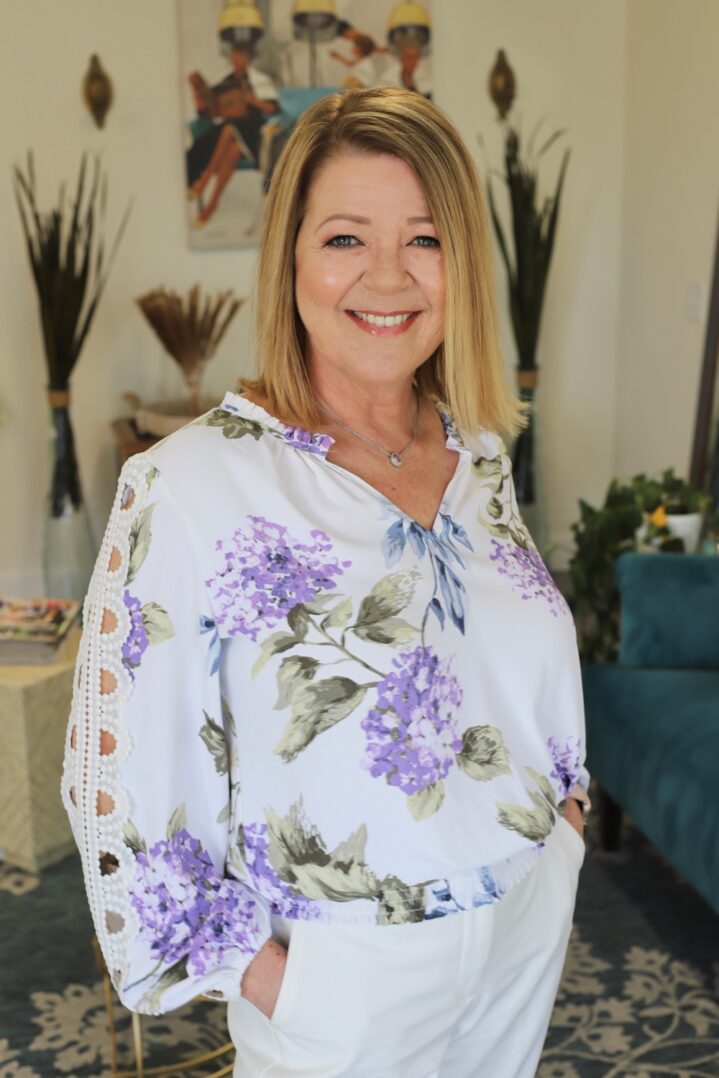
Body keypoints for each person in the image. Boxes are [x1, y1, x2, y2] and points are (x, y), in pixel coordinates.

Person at [62, 87, 590, 1076]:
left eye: (423, 239)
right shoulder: (184, 488)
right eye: (345, 238)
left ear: (459, 264)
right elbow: (122, 792)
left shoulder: (474, 450)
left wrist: (562, 822)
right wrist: (279, 979)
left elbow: (506, 658)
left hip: (521, 922)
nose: (387, 276)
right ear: (290, 260)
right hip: (342, 979)